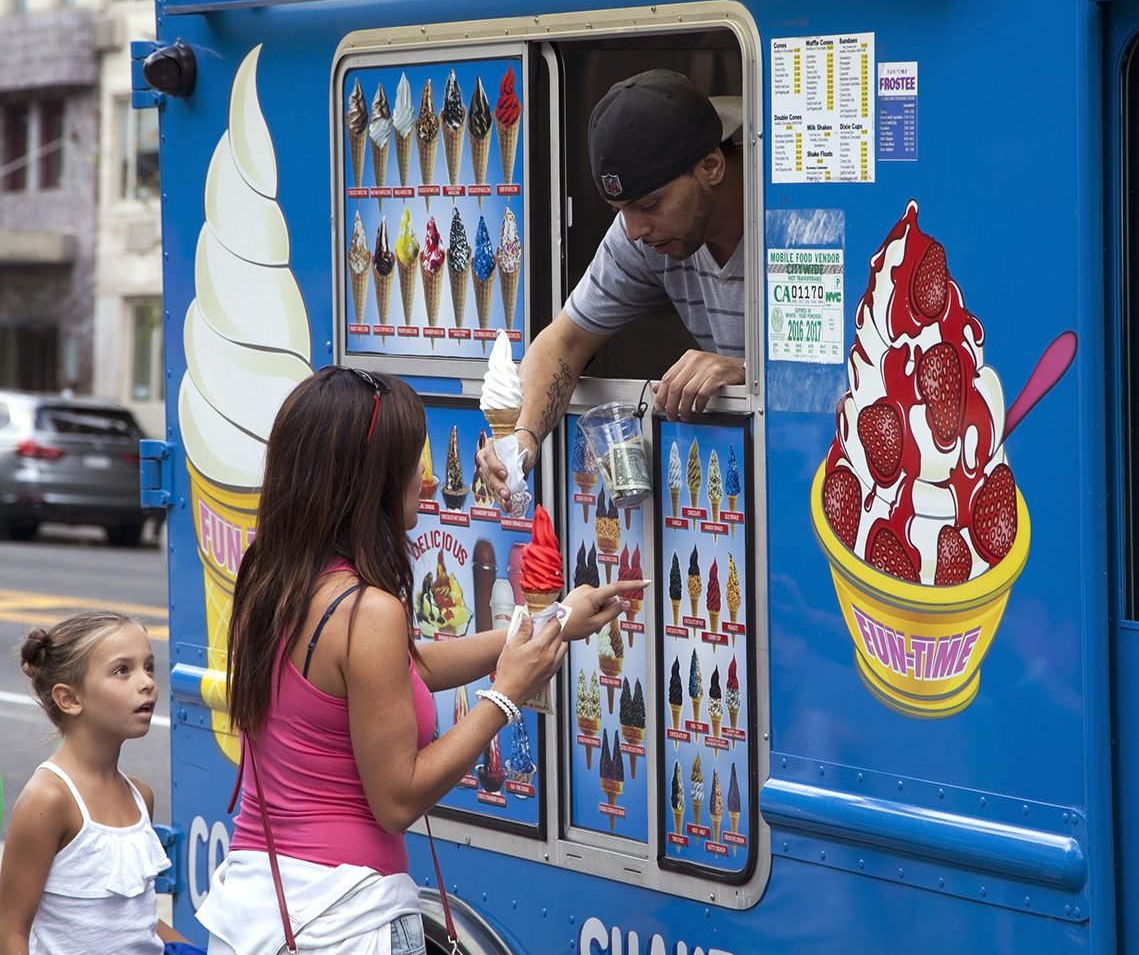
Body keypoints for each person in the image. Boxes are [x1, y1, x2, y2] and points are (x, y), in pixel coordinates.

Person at [197, 365, 643, 955]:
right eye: (413, 460)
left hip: (258, 906)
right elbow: (397, 799)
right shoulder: (368, 610)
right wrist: (504, 697)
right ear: (372, 480)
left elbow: (405, 673)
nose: (426, 478)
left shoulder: (273, 575)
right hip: (344, 922)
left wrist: (553, 621)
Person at [480, 69, 745, 508]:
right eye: (620, 210)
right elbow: (564, 341)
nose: (636, 230)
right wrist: (522, 441)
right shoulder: (642, 234)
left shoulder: (795, 214)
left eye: (649, 205)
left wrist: (742, 371)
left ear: (712, 166)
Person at [0, 610, 202, 955]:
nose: (147, 682)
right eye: (122, 670)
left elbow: (137, 920)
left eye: (148, 666)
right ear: (70, 699)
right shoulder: (49, 799)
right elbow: (11, 930)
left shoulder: (140, 795)